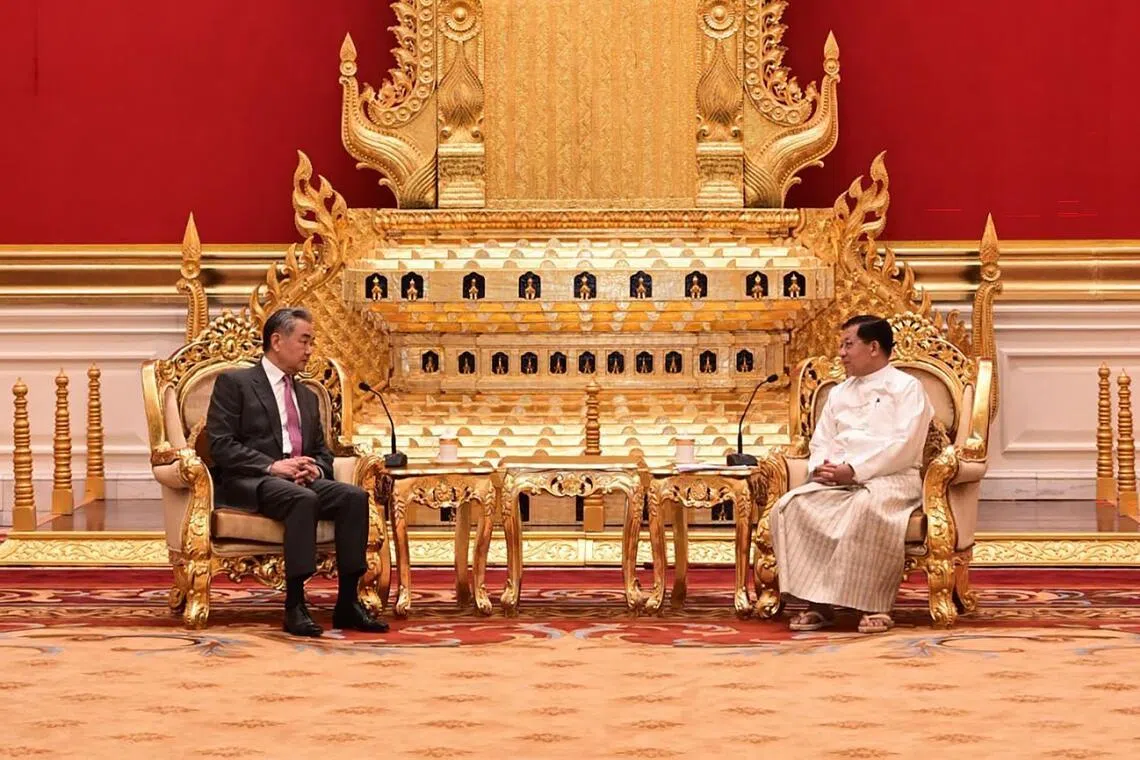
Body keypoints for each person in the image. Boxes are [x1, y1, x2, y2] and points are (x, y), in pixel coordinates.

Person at [206, 307, 389, 637]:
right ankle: (295, 604)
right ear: (277, 341)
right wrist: (272, 466)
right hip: (252, 480)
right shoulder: (236, 383)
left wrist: (315, 468)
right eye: (304, 341)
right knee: (301, 499)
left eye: (311, 342)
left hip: (299, 481)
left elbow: (322, 451)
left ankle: (348, 602)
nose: (310, 350)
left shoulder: (307, 395)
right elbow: (221, 445)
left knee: (353, 498)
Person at [769, 315, 934, 634]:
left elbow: (905, 444)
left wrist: (856, 471)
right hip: (838, 478)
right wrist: (822, 468)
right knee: (790, 506)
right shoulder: (839, 392)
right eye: (841, 345)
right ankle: (817, 603)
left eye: (848, 345)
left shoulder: (906, 388)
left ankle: (874, 605)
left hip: (891, 477)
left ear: (874, 347)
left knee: (866, 508)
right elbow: (821, 440)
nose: (841, 353)